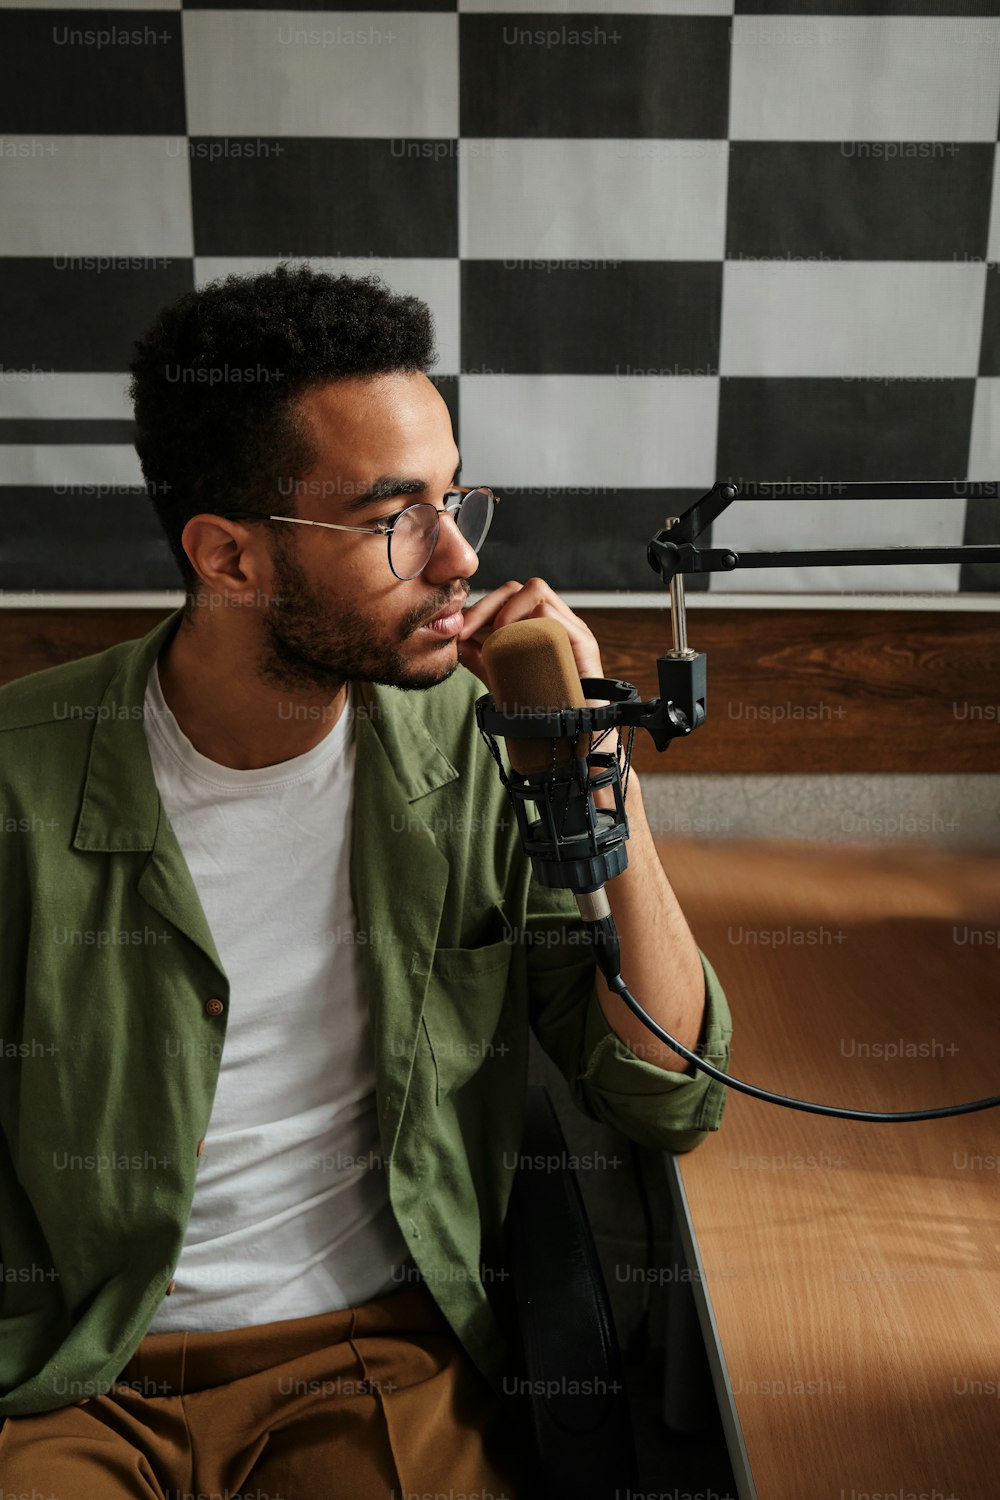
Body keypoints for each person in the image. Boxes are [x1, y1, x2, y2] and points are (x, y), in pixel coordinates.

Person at [0, 263, 733, 1497]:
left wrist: (593, 769)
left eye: (456, 499)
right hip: (71, 1379)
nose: (454, 558)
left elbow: (665, 1093)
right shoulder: (20, 779)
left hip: (371, 1367)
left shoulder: (483, 744)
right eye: (395, 517)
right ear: (228, 558)